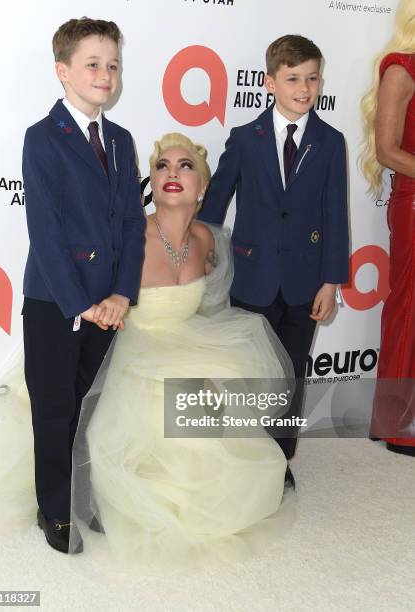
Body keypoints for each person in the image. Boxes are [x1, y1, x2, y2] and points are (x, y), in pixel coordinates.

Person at [69, 133, 295, 567]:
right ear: (150, 182)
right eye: (163, 166)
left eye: (185, 166)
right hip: (134, 347)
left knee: (225, 378)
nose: (172, 173)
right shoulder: (125, 235)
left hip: (185, 338)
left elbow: (211, 305)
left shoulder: (209, 241)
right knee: (167, 406)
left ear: (203, 187)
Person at [21, 17, 145, 553]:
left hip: (110, 306)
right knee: (55, 409)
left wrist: (121, 294)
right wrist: (82, 303)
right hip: (57, 302)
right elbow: (45, 233)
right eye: (92, 64)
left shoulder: (120, 140)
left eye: (112, 65)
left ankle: (86, 497)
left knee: (93, 410)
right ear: (63, 71)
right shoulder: (42, 139)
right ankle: (54, 509)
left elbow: (132, 226)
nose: (105, 74)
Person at [198, 35, 349, 471]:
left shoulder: (330, 140)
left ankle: (280, 461)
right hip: (251, 277)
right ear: (269, 83)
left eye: (313, 78)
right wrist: (201, 255)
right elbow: (214, 207)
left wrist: (331, 281)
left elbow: (335, 214)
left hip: (306, 281)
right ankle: (247, 458)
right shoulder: (246, 139)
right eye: (293, 79)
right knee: (250, 372)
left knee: (291, 372)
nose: (305, 88)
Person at [361, 0, 415, 456]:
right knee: (409, 306)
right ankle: (395, 425)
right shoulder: (401, 68)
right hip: (413, 202)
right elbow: (386, 150)